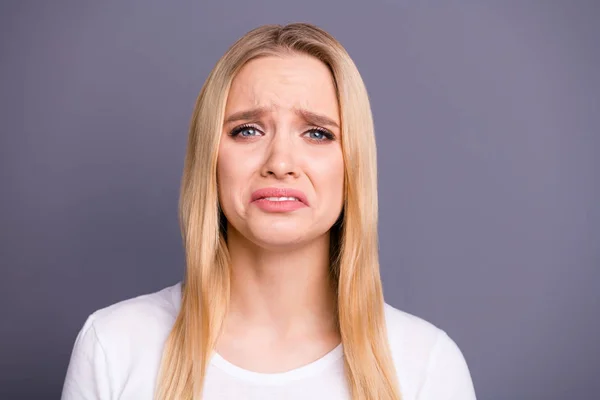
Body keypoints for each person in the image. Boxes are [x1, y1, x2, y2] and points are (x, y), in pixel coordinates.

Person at [61, 23, 476, 400]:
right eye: (247, 130)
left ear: (353, 166)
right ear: (211, 157)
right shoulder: (113, 346)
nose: (280, 161)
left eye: (317, 133)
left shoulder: (426, 365)